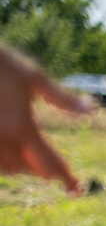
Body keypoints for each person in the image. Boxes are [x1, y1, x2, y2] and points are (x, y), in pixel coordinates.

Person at [0, 45, 93, 195]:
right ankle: (72, 189)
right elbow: (42, 84)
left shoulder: (12, 66)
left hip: (17, 128)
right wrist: (77, 104)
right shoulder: (15, 66)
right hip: (20, 127)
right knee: (57, 175)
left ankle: (71, 189)